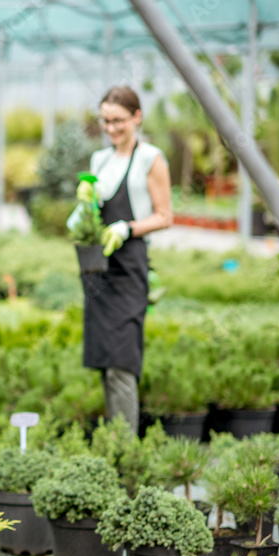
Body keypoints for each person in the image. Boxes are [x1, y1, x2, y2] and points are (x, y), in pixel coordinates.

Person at [82, 85, 173, 435]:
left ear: (137, 117)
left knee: (122, 360)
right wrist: (82, 217)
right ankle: (114, 442)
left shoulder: (151, 158)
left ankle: (125, 451)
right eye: (105, 121)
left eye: (118, 120)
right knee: (105, 360)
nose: (111, 128)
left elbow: (165, 215)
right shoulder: (99, 160)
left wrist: (127, 228)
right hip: (98, 270)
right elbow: (92, 206)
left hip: (130, 268)